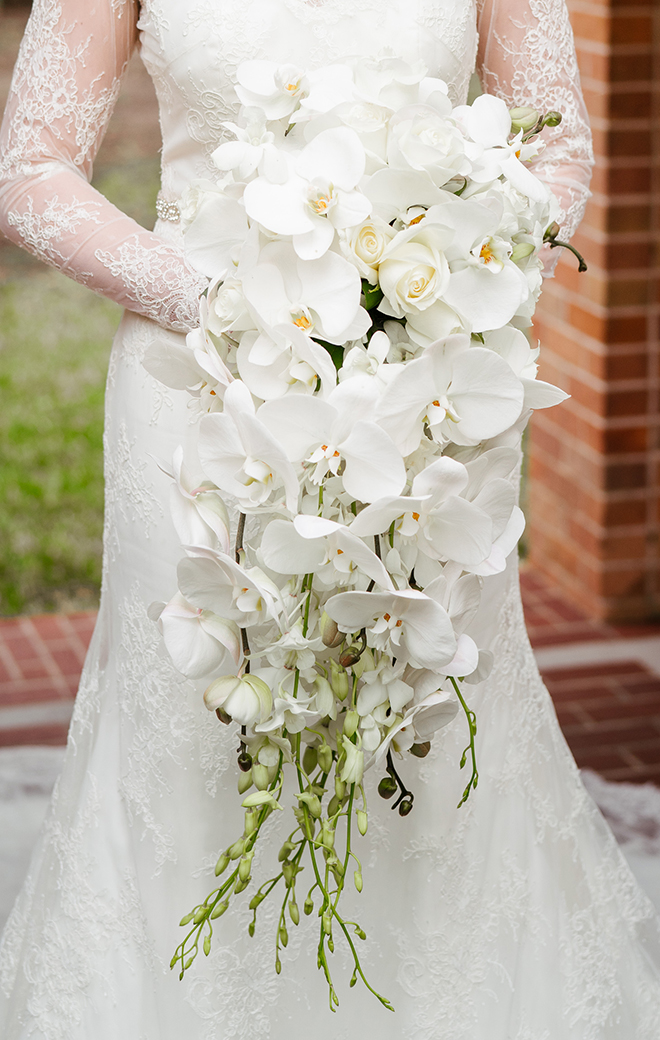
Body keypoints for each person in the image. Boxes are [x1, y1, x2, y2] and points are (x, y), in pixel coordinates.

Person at [0, 1, 658, 1037]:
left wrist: (444, 279)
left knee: (426, 717)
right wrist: (222, 295)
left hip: (430, 387)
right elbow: (31, 168)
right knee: (203, 712)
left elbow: (558, 138)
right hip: (199, 387)